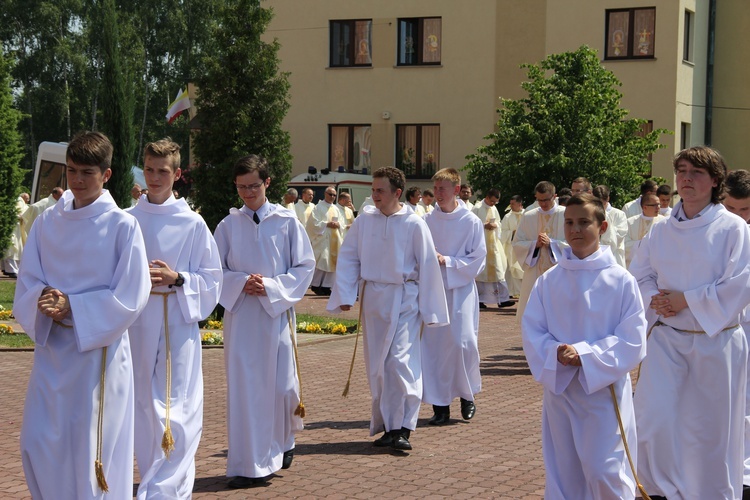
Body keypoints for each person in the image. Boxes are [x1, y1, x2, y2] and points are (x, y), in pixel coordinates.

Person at [14, 131, 151, 499]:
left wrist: (73, 306)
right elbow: (28, 278)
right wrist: (44, 299)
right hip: (53, 354)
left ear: (107, 174)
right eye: (71, 170)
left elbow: (132, 293)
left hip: (98, 357)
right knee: (39, 442)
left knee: (91, 449)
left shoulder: (123, 226)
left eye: (86, 173)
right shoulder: (46, 223)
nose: (76, 180)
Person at [630, 146, 750, 499]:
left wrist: (684, 300)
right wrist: (658, 300)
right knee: (654, 419)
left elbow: (740, 283)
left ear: (715, 181)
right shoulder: (662, 230)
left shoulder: (733, 229)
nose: (686, 178)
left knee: (708, 431)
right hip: (668, 339)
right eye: (681, 171)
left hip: (717, 342)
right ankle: (661, 489)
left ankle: (709, 492)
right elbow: (640, 274)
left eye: (696, 172)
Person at [522, 193, 647, 499]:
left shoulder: (620, 280)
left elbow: (633, 337)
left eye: (583, 222)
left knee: (605, 470)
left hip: (602, 393)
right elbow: (533, 329)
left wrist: (586, 355)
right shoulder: (549, 280)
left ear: (602, 226)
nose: (575, 229)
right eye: (569, 222)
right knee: (565, 472)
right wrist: (555, 352)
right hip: (561, 389)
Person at [327, 166, 448, 451]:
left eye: (380, 190)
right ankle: (389, 426)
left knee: (400, 362)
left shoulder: (414, 223)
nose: (374, 195)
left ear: (397, 192)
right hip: (373, 299)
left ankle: (405, 425)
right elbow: (349, 257)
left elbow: (428, 266)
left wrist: (431, 311)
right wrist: (346, 292)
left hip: (404, 297)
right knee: (380, 367)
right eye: (373, 190)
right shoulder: (364, 220)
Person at [127, 138, 223, 499]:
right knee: (141, 406)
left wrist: (178, 278)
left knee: (174, 407)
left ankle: (165, 489)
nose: (154, 178)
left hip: (177, 318)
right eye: (149, 170)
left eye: (162, 171)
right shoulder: (128, 219)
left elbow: (213, 278)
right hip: (137, 320)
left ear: (177, 174)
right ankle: (158, 482)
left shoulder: (192, 222)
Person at [214, 154, 314, 488]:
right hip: (242, 315)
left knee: (283, 386)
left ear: (267, 183)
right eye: (241, 187)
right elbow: (215, 272)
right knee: (246, 389)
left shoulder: (286, 222)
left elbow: (304, 266)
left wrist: (270, 286)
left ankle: (284, 441)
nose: (247, 193)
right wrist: (241, 282)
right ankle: (248, 464)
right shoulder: (228, 226)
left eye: (254, 186)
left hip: (275, 314)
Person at [423, 168, 486, 425]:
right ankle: (440, 406)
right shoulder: (426, 221)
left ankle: (466, 394)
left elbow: (478, 259)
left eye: (443, 189)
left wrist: (446, 260)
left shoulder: (471, 222)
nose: (437, 193)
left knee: (463, 342)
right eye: (436, 188)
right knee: (435, 347)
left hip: (460, 290)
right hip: (434, 290)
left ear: (456, 190)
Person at [723, 169, 750, 494]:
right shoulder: (712, 237)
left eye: (746, 210)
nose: (741, 219)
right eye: (732, 210)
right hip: (718, 333)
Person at [513, 181, 566, 321]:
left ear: (554, 196)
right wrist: (534, 245)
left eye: (546, 200)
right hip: (535, 270)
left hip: (560, 272)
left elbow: (574, 243)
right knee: (534, 312)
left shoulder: (566, 215)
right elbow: (517, 243)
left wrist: (552, 244)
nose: (543, 204)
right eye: (539, 200)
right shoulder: (529, 216)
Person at [472, 189, 512, 308]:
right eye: (492, 201)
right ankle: (480, 300)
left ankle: (503, 299)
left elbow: (499, 223)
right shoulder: (477, 208)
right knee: (481, 273)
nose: (494, 204)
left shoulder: (493, 208)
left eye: (496, 202)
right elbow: (471, 224)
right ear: (487, 197)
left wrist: (495, 225)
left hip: (493, 244)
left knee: (498, 270)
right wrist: (484, 225)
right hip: (482, 244)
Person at [307, 186, 341, 296]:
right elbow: (313, 223)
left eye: (334, 195)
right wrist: (326, 224)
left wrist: (339, 224)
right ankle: (316, 285)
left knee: (333, 263)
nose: (332, 197)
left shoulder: (336, 208)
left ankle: (327, 286)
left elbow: (342, 222)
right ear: (325, 194)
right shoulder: (318, 207)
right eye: (330, 194)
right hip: (323, 239)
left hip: (334, 238)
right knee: (323, 261)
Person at [623, 193, 664, 269]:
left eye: (659, 204)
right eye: (654, 205)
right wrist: (643, 243)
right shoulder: (630, 222)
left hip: (656, 266)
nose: (658, 208)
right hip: (634, 266)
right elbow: (624, 244)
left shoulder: (664, 222)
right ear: (645, 207)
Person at [592, 185, 628, 268]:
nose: (600, 206)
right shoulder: (589, 213)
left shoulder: (619, 214)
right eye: (597, 203)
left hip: (614, 256)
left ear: (608, 198)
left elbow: (619, 236)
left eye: (603, 203)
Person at [501, 195, 524, 297]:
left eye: (513, 204)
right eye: (510, 204)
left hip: (524, 246)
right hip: (511, 247)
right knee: (511, 269)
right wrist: (512, 233)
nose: (511, 206)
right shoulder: (507, 217)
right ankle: (512, 291)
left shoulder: (527, 214)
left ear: (520, 204)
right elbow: (502, 232)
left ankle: (523, 291)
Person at [2, 194, 26, 278]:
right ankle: (10, 270)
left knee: (14, 248)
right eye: (26, 199)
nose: (27, 201)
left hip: (16, 227)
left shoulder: (18, 200)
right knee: (11, 248)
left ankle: (8, 269)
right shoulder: (17, 200)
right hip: (11, 226)